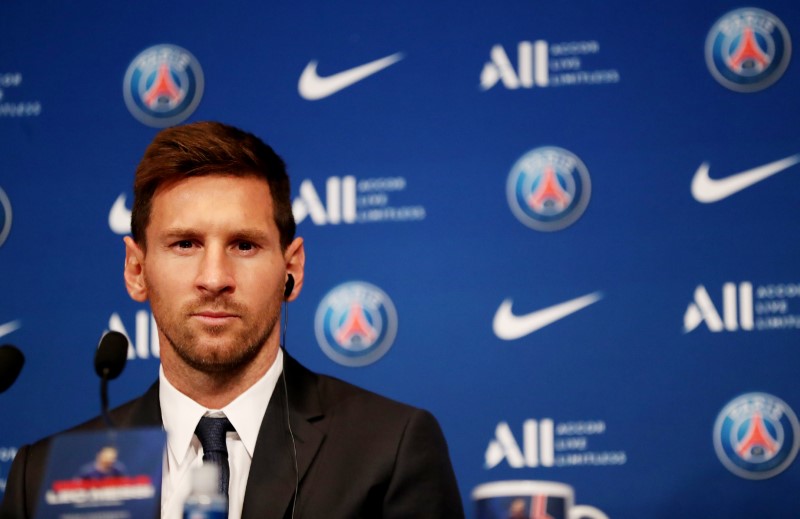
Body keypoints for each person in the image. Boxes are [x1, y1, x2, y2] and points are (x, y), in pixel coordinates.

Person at [0, 121, 464, 518]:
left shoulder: (390, 448)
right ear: (137, 270)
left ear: (292, 270)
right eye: (185, 244)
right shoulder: (43, 476)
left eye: (244, 244)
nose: (214, 278)